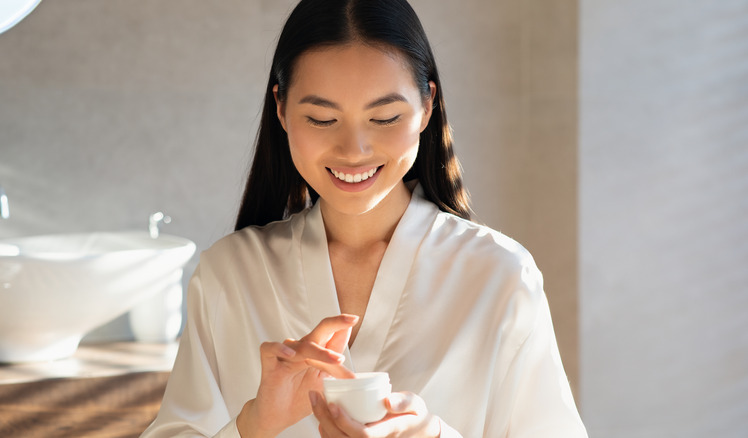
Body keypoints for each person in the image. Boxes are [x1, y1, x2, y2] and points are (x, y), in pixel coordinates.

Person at [141, 0, 588, 436]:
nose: (353, 151)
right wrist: (254, 425)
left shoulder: (499, 275)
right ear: (281, 108)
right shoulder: (229, 275)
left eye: (385, 117)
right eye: (321, 119)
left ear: (427, 106)